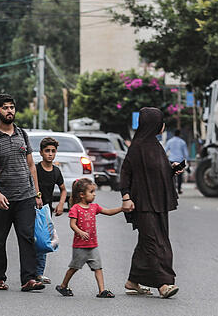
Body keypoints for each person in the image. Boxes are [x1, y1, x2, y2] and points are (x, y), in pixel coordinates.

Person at [0, 94, 45, 292]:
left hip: (25, 196)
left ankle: (29, 278)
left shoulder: (22, 134)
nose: (10, 111)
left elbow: (31, 165)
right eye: (5, 108)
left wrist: (37, 193)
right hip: (1, 199)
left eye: (12, 107)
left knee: (26, 237)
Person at [120, 107, 182, 299]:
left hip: (158, 203)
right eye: (160, 122)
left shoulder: (156, 146)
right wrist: (126, 197)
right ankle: (164, 284)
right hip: (142, 204)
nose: (163, 126)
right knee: (155, 243)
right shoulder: (137, 147)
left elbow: (157, 172)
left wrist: (171, 169)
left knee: (147, 242)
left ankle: (133, 280)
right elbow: (125, 173)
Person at [54, 178, 122, 298]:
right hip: (80, 246)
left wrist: (122, 208)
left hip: (92, 245)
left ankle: (102, 290)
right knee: (74, 267)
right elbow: (72, 224)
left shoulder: (94, 207)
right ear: (82, 195)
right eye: (91, 192)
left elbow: (109, 212)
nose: (94, 194)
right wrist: (80, 232)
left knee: (98, 268)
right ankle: (63, 286)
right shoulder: (75, 208)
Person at [35, 137, 67, 283]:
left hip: (46, 212)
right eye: (47, 151)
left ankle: (39, 273)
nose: (50, 154)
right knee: (32, 240)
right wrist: (37, 196)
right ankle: (30, 272)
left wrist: (60, 204)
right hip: (33, 208)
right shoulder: (36, 169)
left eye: (53, 151)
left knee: (44, 241)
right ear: (41, 152)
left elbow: (63, 190)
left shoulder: (56, 171)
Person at [165, 129, 189, 194]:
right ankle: (179, 189)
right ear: (179, 134)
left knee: (171, 175)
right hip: (180, 161)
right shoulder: (182, 142)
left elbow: (165, 150)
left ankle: (172, 189)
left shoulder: (170, 141)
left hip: (171, 160)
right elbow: (186, 153)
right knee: (179, 176)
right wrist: (187, 160)